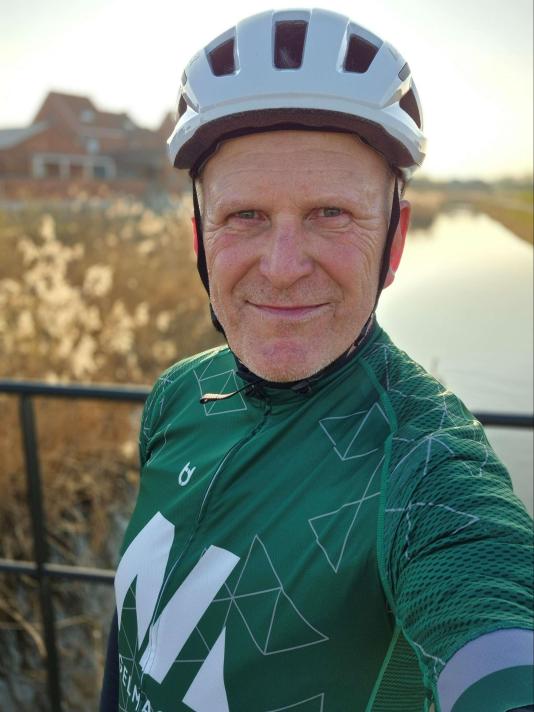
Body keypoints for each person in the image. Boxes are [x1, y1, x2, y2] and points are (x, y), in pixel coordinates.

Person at [100, 9, 533, 712]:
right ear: (200, 238)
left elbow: (495, 625)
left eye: (331, 214)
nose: (282, 267)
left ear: (394, 241)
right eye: (245, 216)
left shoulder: (426, 468)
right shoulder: (177, 394)